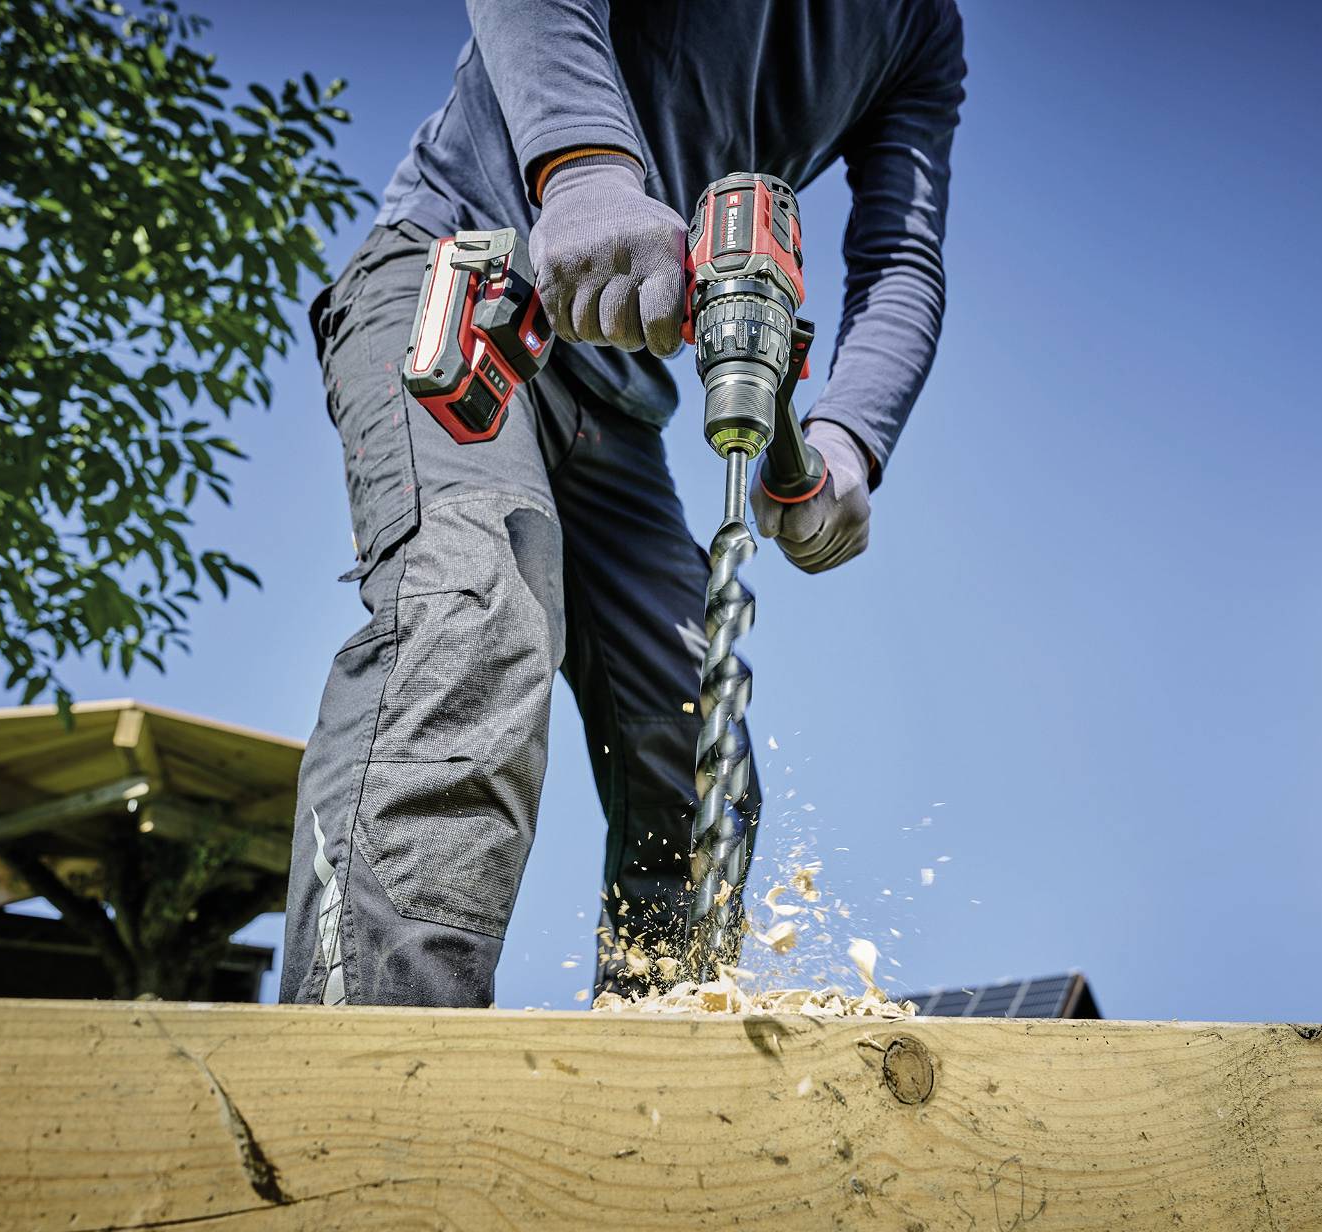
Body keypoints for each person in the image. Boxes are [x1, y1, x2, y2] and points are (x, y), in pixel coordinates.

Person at [281, 0, 966, 1008]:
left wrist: (846, 437)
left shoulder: (919, 30)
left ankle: (650, 1067)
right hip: (464, 281)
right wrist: (587, 172)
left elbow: (899, 260)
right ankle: (368, 1067)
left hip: (614, 404)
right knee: (472, 616)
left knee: (697, 751)